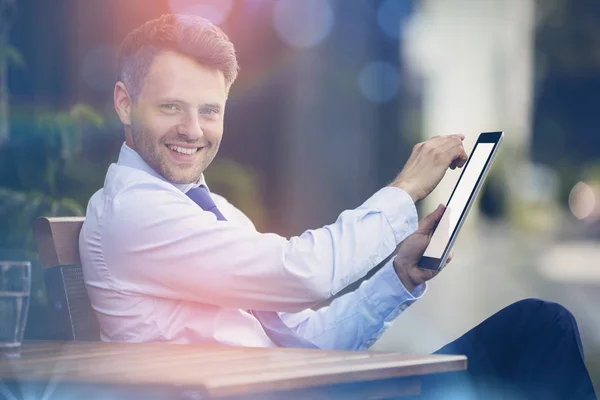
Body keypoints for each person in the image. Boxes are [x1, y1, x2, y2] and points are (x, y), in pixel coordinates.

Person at [79, 14, 596, 399]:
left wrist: (398, 276)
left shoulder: (206, 209)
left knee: (537, 329)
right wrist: (406, 188)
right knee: (537, 333)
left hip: (303, 391)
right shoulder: (133, 213)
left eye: (209, 110)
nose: (193, 130)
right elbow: (304, 275)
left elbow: (307, 343)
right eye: (172, 106)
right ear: (125, 103)